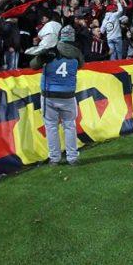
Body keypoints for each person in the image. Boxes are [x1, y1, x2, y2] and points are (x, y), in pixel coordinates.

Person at [31, 25, 86, 166]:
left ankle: (54, 158)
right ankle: (72, 157)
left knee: (51, 126)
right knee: (70, 126)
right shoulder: (77, 53)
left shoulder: (51, 50)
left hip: (49, 94)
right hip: (68, 95)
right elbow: (81, 65)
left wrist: (42, 54)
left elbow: (33, 65)